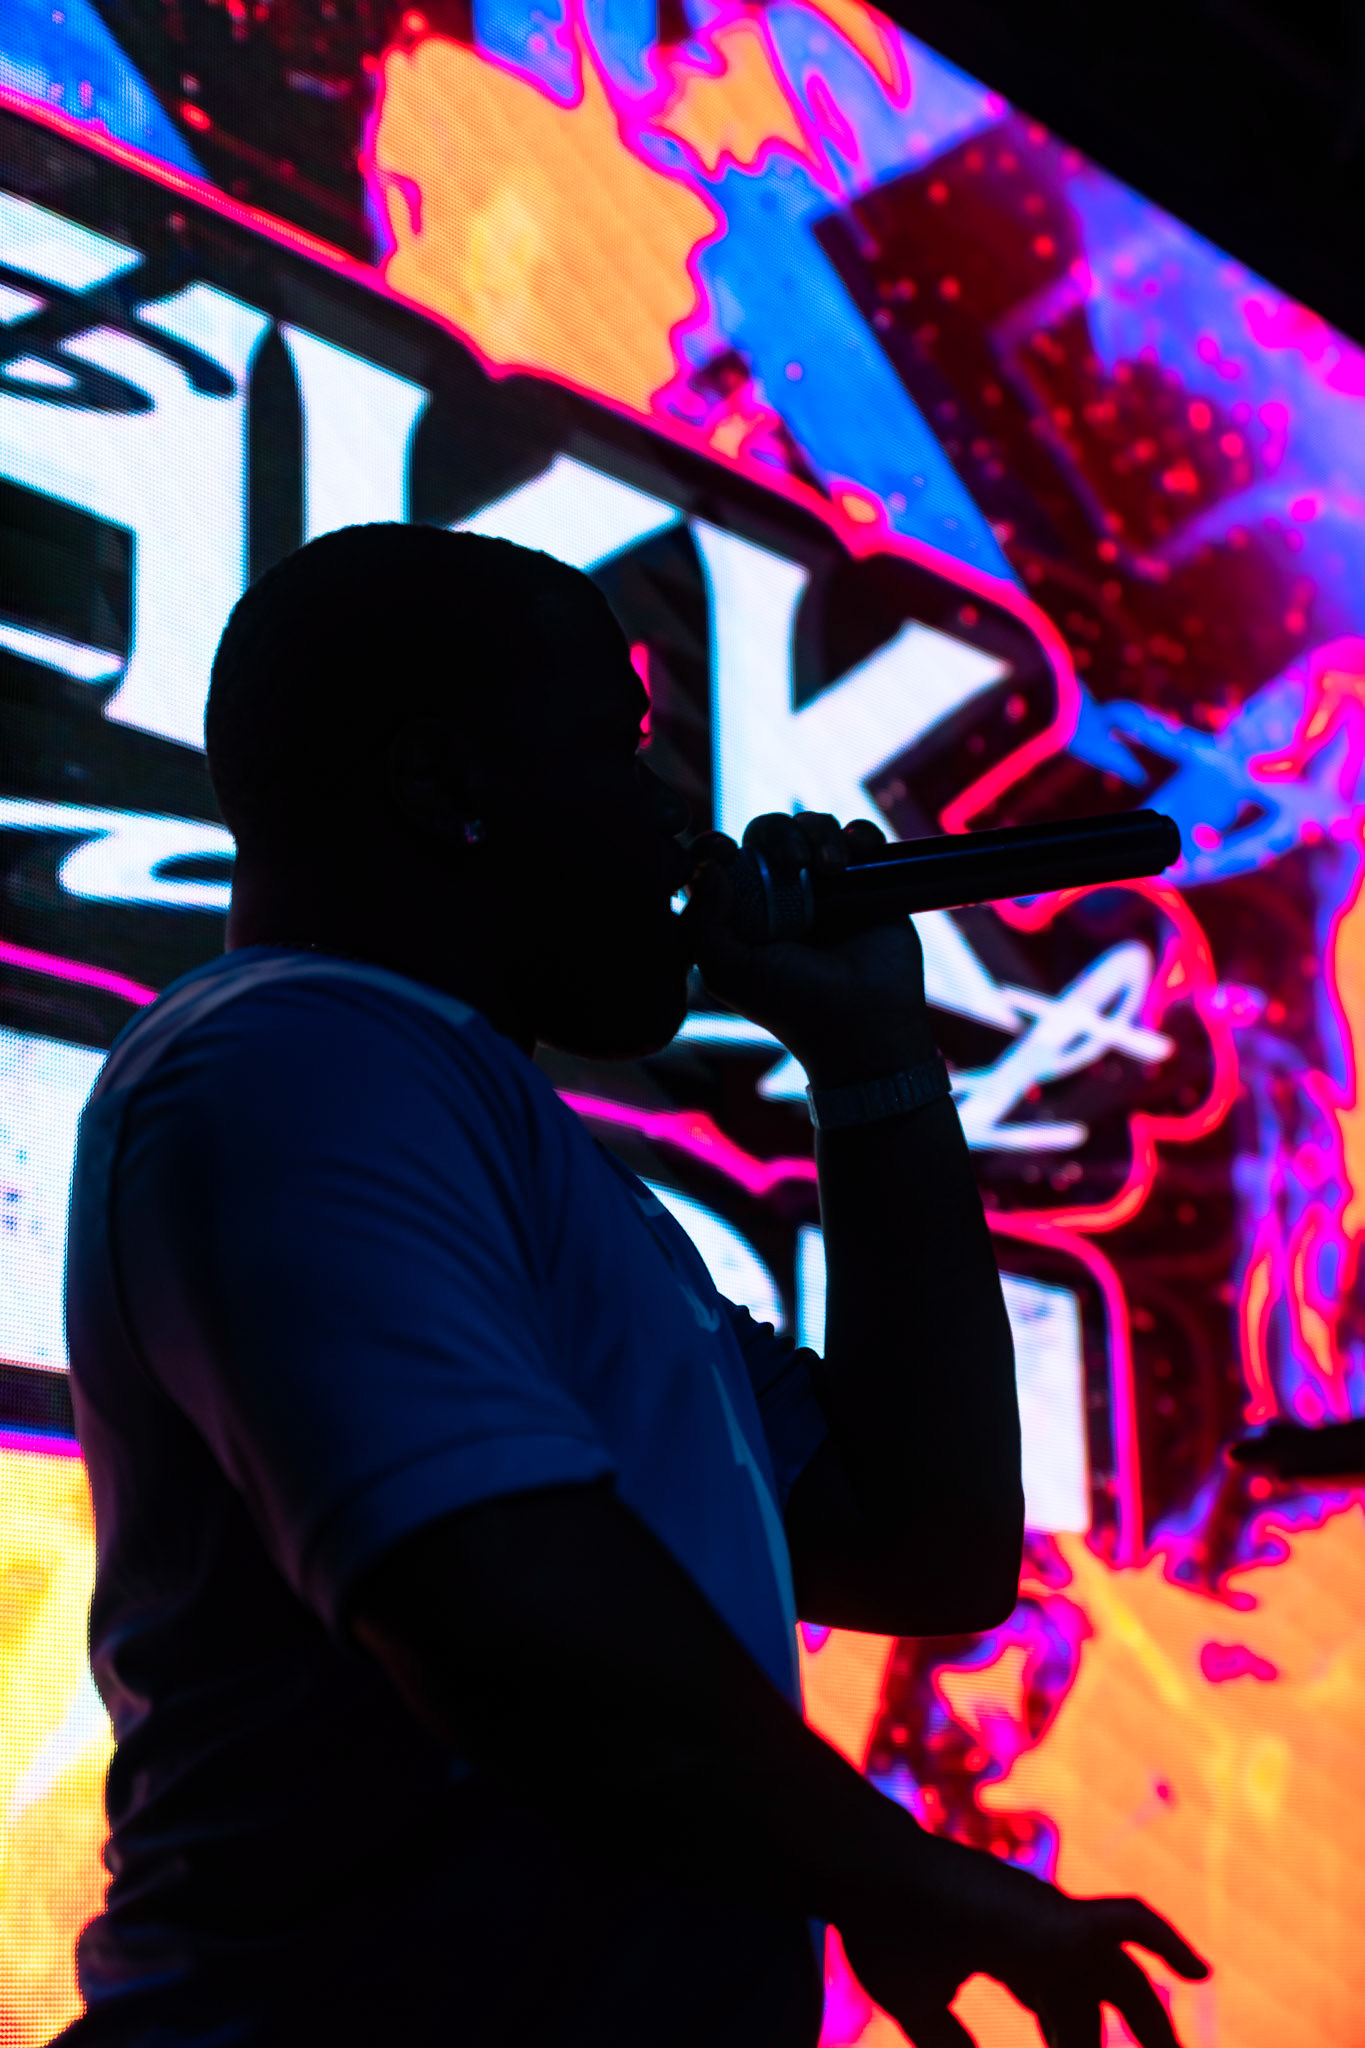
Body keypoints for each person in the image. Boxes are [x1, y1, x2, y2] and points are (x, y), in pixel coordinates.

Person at [61, 524, 1206, 2047]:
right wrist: (901, 1874)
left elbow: (923, 1544)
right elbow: (500, 1605)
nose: (676, 821)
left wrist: (870, 1057)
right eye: (622, 751)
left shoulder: (518, 1154)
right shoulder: (294, 1059)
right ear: (446, 787)